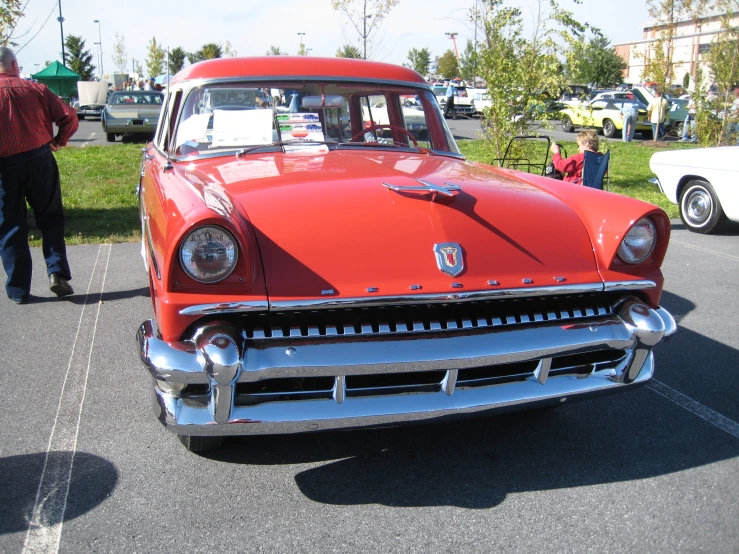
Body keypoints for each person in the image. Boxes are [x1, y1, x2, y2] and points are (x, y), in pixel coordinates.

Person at [0, 47, 78, 304]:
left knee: (11, 226)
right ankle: (57, 273)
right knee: (50, 217)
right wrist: (60, 140)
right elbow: (69, 115)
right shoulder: (36, 89)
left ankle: (19, 289)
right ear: (14, 64)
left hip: (4, 167)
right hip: (40, 159)